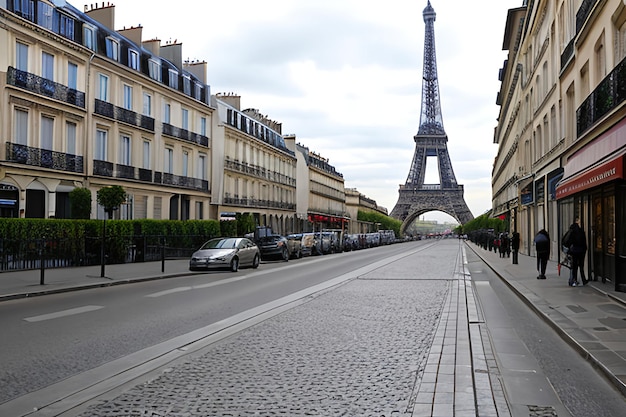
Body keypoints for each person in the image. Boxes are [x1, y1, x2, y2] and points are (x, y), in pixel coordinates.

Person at [564, 218, 588, 286]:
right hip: (582, 250)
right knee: (581, 266)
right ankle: (583, 280)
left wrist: (568, 249)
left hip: (574, 251)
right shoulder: (581, 231)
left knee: (574, 266)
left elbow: (567, 241)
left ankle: (574, 280)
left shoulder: (572, 232)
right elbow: (584, 241)